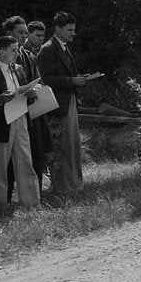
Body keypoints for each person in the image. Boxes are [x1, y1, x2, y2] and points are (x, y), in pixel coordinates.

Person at [0, 35, 40, 213]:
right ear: (2, 51)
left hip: (20, 118)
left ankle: (31, 203)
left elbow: (24, 92)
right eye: (13, 50)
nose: (16, 53)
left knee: (25, 162)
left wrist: (30, 94)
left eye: (17, 49)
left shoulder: (20, 69)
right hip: (0, 123)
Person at [38, 11, 87, 198]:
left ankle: (73, 183)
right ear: (57, 29)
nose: (73, 33)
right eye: (69, 29)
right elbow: (46, 78)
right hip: (57, 106)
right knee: (61, 147)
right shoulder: (48, 49)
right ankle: (61, 186)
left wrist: (79, 80)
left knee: (72, 145)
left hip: (69, 102)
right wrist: (72, 81)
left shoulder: (64, 47)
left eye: (74, 29)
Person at [2, 16, 50, 195]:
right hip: (12, 113)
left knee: (36, 153)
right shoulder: (1, 58)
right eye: (19, 32)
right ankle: (5, 199)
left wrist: (36, 87)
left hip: (32, 112)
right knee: (10, 161)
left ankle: (36, 195)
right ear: (9, 33)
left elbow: (37, 79)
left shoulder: (29, 55)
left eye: (25, 32)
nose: (24, 36)